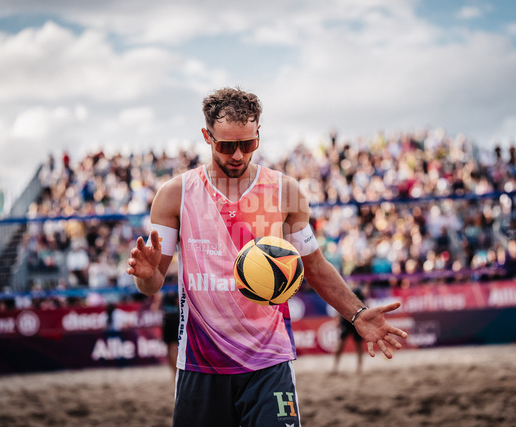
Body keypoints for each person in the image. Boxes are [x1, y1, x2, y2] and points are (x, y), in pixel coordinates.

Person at [127, 87, 407, 427]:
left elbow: (314, 266)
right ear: (206, 136)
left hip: (268, 361)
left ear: (258, 134)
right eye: (226, 145)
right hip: (201, 362)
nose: (238, 155)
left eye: (248, 144)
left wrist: (356, 313)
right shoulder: (175, 194)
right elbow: (152, 284)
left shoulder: (285, 191)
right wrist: (146, 274)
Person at [332, 283, 366, 374]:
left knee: (358, 345)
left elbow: (364, 305)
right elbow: (339, 305)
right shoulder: (346, 290)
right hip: (346, 320)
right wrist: (338, 319)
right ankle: (335, 367)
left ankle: (359, 368)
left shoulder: (359, 291)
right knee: (341, 344)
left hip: (356, 320)